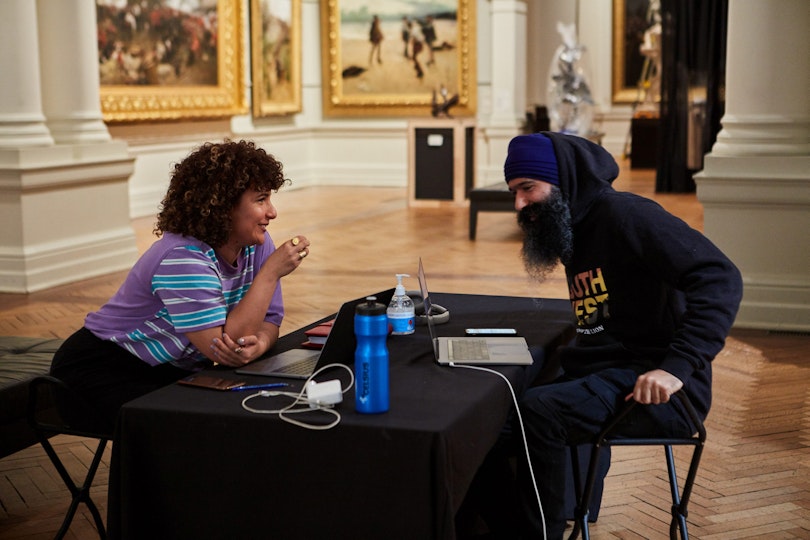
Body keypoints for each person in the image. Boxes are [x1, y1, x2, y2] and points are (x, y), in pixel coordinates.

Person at [467, 132, 743, 539]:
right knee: (480, 424)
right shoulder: (572, 223)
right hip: (611, 372)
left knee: (542, 409)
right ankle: (517, 524)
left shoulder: (626, 215)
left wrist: (675, 369)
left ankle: (539, 531)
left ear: (563, 178)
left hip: (659, 391)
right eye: (514, 192)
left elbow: (720, 278)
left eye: (527, 188)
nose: (519, 204)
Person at [50, 140, 311, 431]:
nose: (272, 212)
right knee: (202, 427)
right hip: (105, 370)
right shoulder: (182, 257)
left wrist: (260, 342)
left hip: (170, 369)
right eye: (261, 200)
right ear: (223, 207)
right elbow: (224, 348)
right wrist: (270, 274)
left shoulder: (256, 245)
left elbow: (270, 320)